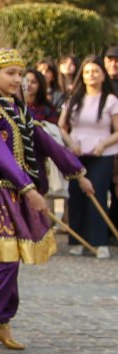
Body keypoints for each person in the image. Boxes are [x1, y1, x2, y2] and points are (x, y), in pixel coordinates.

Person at [0, 48, 94, 354]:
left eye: (20, 74)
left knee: (11, 264)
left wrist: (77, 172)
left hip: (15, 196)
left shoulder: (17, 109)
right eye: (10, 74)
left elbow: (45, 142)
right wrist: (28, 189)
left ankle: (0, 322)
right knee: (3, 264)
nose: (17, 80)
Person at [58, 56, 118, 258]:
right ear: (81, 75)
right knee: (76, 195)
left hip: (102, 154)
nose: (91, 75)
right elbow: (62, 126)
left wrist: (103, 144)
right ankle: (77, 240)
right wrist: (71, 143)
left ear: (102, 75)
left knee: (98, 195)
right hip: (77, 154)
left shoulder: (110, 100)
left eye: (95, 71)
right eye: (87, 72)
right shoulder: (73, 99)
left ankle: (99, 241)